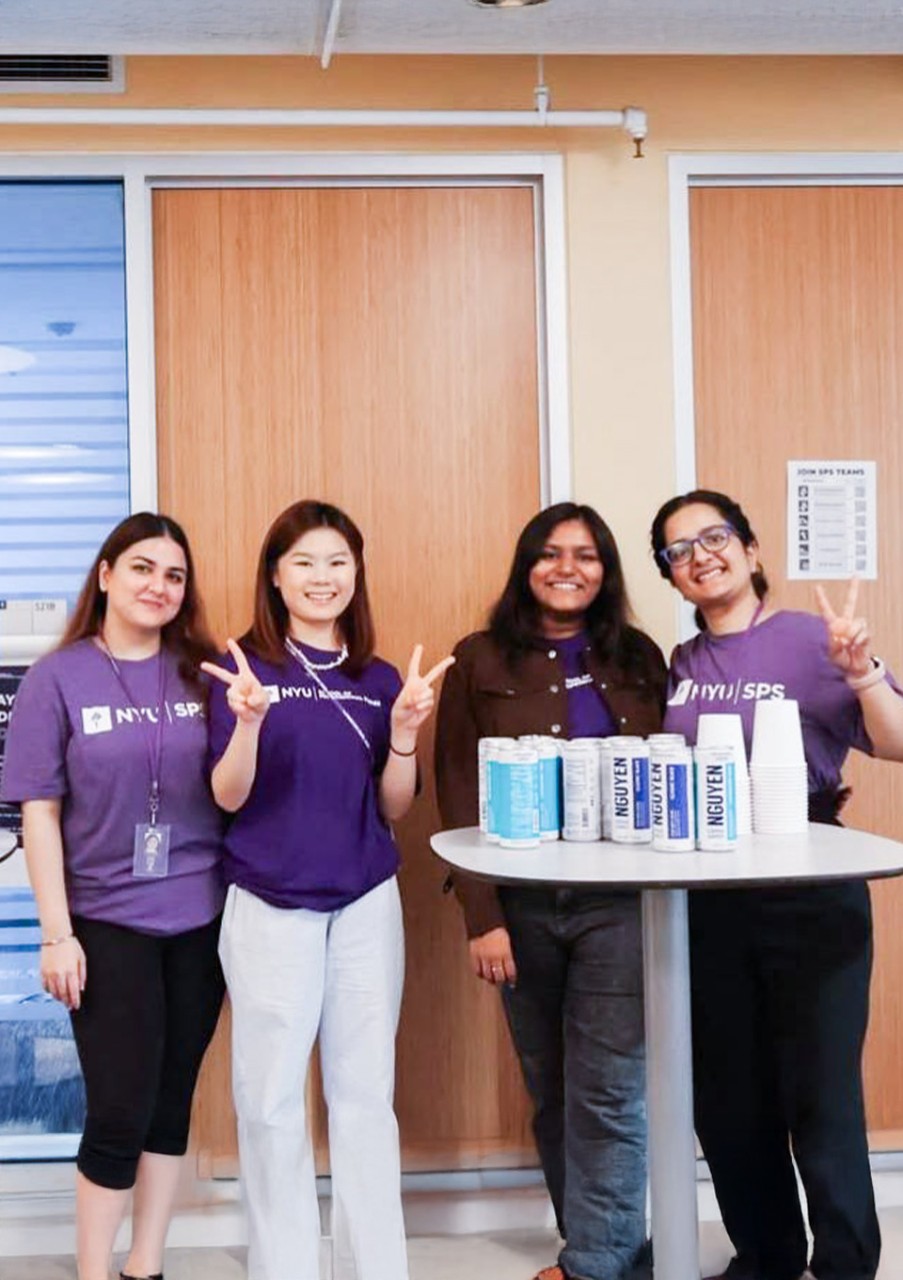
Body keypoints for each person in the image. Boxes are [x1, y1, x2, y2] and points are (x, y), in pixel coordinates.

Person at [650, 488, 903, 1280]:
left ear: (752, 551)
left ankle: (845, 1265)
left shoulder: (809, 641)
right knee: (727, 1102)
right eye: (678, 550)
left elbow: (896, 742)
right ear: (671, 578)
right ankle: (764, 1257)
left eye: (714, 536)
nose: (700, 555)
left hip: (808, 895)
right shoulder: (681, 664)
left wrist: (862, 672)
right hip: (711, 903)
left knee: (819, 1096)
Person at [203, 498, 452, 1280]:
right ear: (275, 575)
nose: (322, 577)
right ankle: (283, 1267)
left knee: (363, 1096)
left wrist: (405, 735)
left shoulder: (375, 678)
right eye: (304, 562)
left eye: (337, 562)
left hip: (364, 902)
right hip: (271, 902)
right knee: (271, 1101)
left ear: (356, 574)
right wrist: (246, 723)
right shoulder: (243, 669)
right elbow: (228, 797)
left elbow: (392, 806)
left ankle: (373, 1265)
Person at [434, 501, 667, 1280]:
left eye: (586, 554)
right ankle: (612, 1247)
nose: (567, 567)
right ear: (524, 565)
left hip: (621, 903)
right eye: (549, 552)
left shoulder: (637, 655)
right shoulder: (477, 660)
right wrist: (481, 915)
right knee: (553, 1089)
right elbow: (457, 793)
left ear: (606, 571)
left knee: (608, 1088)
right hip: (522, 903)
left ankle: (594, 1261)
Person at [0, 512, 226, 1280]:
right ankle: (93, 1270)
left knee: (171, 1101)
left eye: (173, 575)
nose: (157, 586)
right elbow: (39, 812)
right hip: (105, 922)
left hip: (201, 917)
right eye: (140, 568)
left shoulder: (206, 672)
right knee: (119, 1107)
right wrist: (56, 933)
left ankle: (146, 1265)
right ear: (104, 575)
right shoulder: (56, 678)